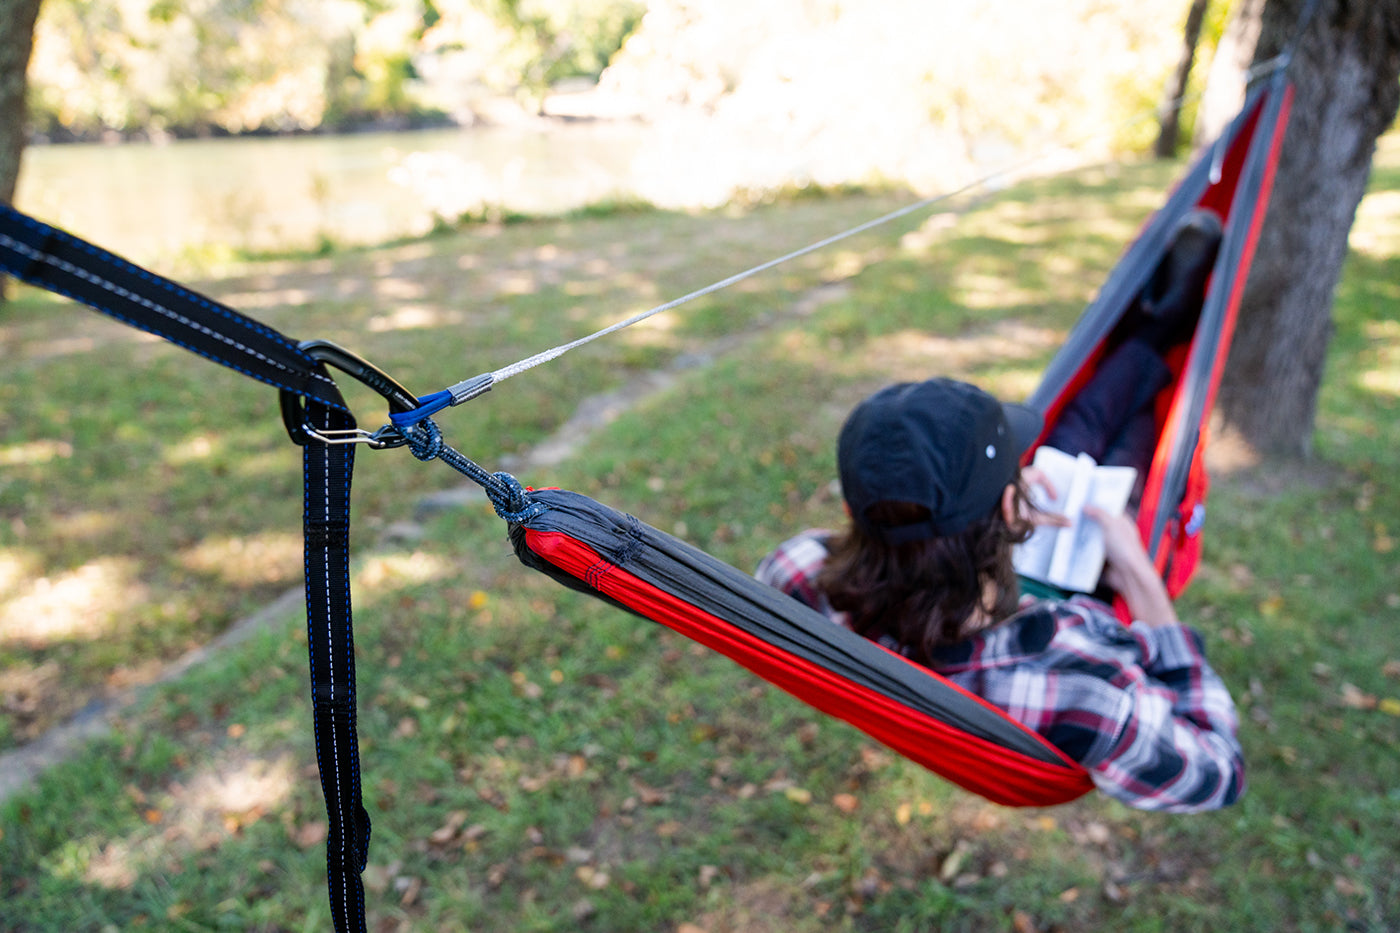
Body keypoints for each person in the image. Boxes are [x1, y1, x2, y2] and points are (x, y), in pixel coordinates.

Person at [755, 377, 1244, 812]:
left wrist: (981, 520)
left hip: (975, 568)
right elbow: (1219, 771)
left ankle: (1156, 339)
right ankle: (1158, 345)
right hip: (1075, 577)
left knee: (1091, 428)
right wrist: (1141, 578)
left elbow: (849, 544)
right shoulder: (1087, 690)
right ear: (1012, 508)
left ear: (851, 503)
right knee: (1121, 433)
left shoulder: (794, 577)